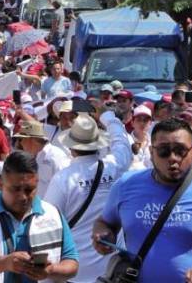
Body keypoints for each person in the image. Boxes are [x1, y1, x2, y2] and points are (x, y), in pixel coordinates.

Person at [93, 118, 192, 282]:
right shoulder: (125, 185)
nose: (173, 158)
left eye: (180, 150)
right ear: (151, 152)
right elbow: (105, 222)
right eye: (164, 151)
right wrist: (102, 234)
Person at [0, 151, 79, 282]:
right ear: (0, 185)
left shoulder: (53, 214)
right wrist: (5, 263)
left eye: (29, 190)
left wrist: (50, 271)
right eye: (15, 189)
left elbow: (72, 263)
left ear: (37, 183)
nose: (23, 197)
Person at [44, 111, 132, 283]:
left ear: (71, 146)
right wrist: (108, 117)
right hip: (112, 268)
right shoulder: (115, 166)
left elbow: (48, 226)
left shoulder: (63, 179)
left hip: (76, 270)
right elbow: (122, 143)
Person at [13, 120, 70, 197]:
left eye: (20, 139)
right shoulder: (32, 158)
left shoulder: (56, 156)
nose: (20, 143)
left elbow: (66, 186)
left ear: (30, 139)